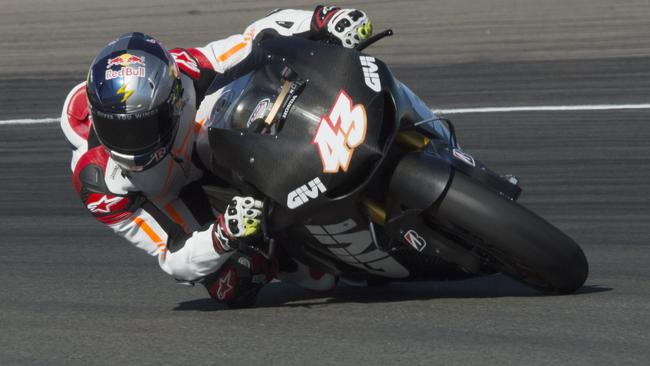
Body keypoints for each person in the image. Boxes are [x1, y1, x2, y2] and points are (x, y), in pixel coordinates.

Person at [60, 6, 373, 308]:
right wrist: (223, 233)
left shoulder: (183, 71)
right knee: (236, 280)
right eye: (117, 130)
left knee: (266, 77)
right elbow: (171, 258)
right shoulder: (98, 184)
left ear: (173, 100)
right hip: (177, 198)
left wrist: (324, 21)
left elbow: (256, 37)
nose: (132, 142)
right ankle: (314, 254)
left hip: (205, 142)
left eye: (145, 126)